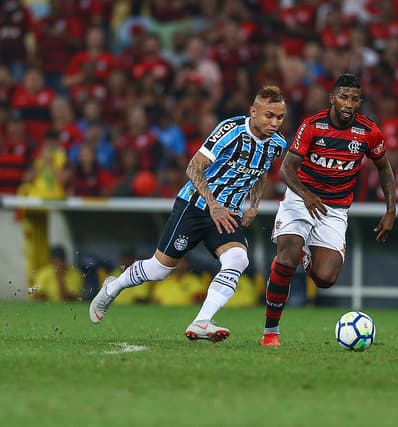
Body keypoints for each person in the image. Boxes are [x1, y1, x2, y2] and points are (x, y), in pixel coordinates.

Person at [89, 85, 288, 343]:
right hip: (194, 206)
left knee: (238, 259)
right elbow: (193, 167)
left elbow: (260, 172)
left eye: (280, 117)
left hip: (227, 215)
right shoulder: (231, 131)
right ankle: (113, 287)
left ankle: (202, 321)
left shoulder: (278, 144)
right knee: (159, 269)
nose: (274, 123)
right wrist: (213, 204)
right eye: (268, 116)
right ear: (253, 111)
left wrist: (254, 205)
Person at [260, 74, 396, 347]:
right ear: (332, 98)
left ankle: (306, 256)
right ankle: (270, 332)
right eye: (344, 97)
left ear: (360, 102)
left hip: (334, 208)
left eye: (355, 99)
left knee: (325, 279)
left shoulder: (369, 131)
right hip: (301, 198)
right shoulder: (312, 125)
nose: (349, 103)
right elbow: (286, 169)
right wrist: (307, 195)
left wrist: (391, 209)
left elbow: (384, 167)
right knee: (287, 256)